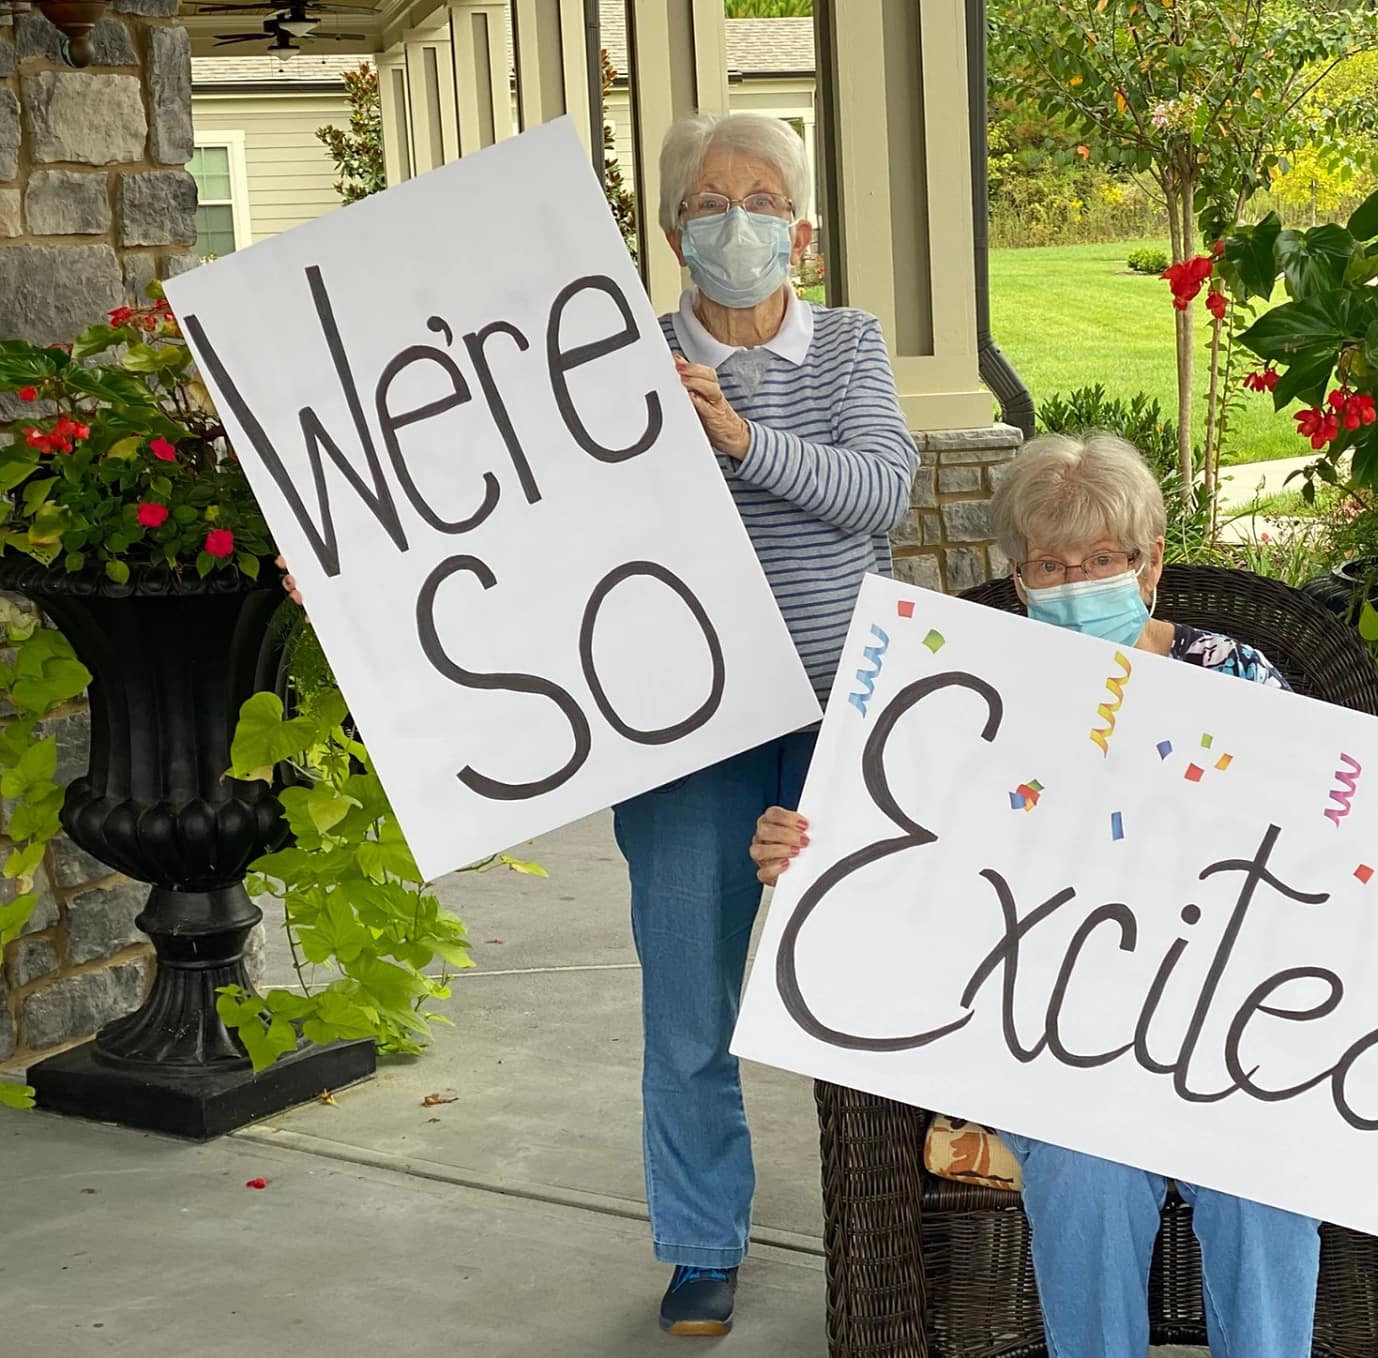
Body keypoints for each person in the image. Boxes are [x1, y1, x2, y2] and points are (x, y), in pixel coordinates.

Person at [285, 112, 917, 1339]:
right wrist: (354, 554)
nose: (738, 221)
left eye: (762, 198)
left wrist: (736, 433)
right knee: (688, 992)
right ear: (673, 231)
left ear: (802, 226)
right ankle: (701, 1243)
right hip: (684, 722)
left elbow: (881, 490)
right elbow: (495, 509)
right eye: (709, 201)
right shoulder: (604, 356)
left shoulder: (848, 346)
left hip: (845, 706)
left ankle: (894, 1225)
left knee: (873, 985)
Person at [748, 432, 1378, 1358]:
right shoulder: (979, 700)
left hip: (1231, 1038)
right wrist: (807, 854)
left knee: (1263, 1184)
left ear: (1151, 566)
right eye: (1049, 564)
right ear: (1018, 580)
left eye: (1102, 559)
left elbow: (1361, 854)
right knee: (1088, 1175)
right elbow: (902, 860)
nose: (1074, 580)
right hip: (1046, 1046)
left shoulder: (1242, 680)